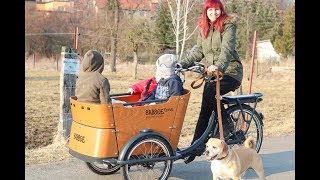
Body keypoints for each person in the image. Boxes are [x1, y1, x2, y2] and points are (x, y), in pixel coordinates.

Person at [177, 0, 243, 163]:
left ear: (221, 10)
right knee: (204, 111)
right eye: (210, 10)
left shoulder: (228, 26)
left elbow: (227, 49)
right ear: (206, 11)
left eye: (217, 10)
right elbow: (198, 51)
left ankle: (226, 123)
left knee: (209, 93)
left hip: (231, 72)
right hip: (213, 74)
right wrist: (181, 64)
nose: (214, 13)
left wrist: (219, 66)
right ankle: (195, 147)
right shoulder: (204, 27)